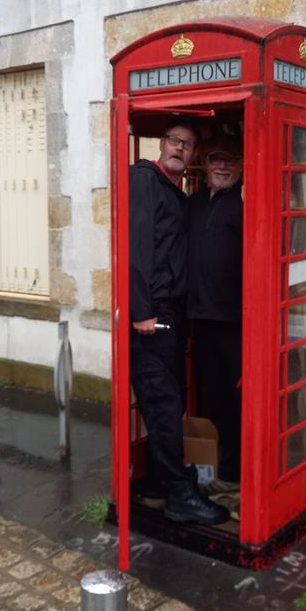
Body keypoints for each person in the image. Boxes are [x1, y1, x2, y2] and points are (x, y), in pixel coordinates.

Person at [129, 120, 230, 525]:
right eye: (174, 141)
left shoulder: (175, 190)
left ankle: (157, 480)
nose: (180, 149)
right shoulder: (144, 180)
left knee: (170, 398)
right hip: (151, 315)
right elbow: (136, 246)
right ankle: (179, 495)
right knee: (164, 402)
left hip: (173, 313)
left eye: (188, 145)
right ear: (161, 143)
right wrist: (141, 312)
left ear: (193, 156)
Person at [187, 134, 243, 492]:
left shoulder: (245, 202)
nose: (222, 166)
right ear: (205, 164)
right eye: (216, 159)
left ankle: (235, 471)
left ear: (241, 166)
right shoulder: (192, 205)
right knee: (212, 396)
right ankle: (210, 463)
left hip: (235, 318)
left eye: (230, 161)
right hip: (198, 316)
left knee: (238, 398)